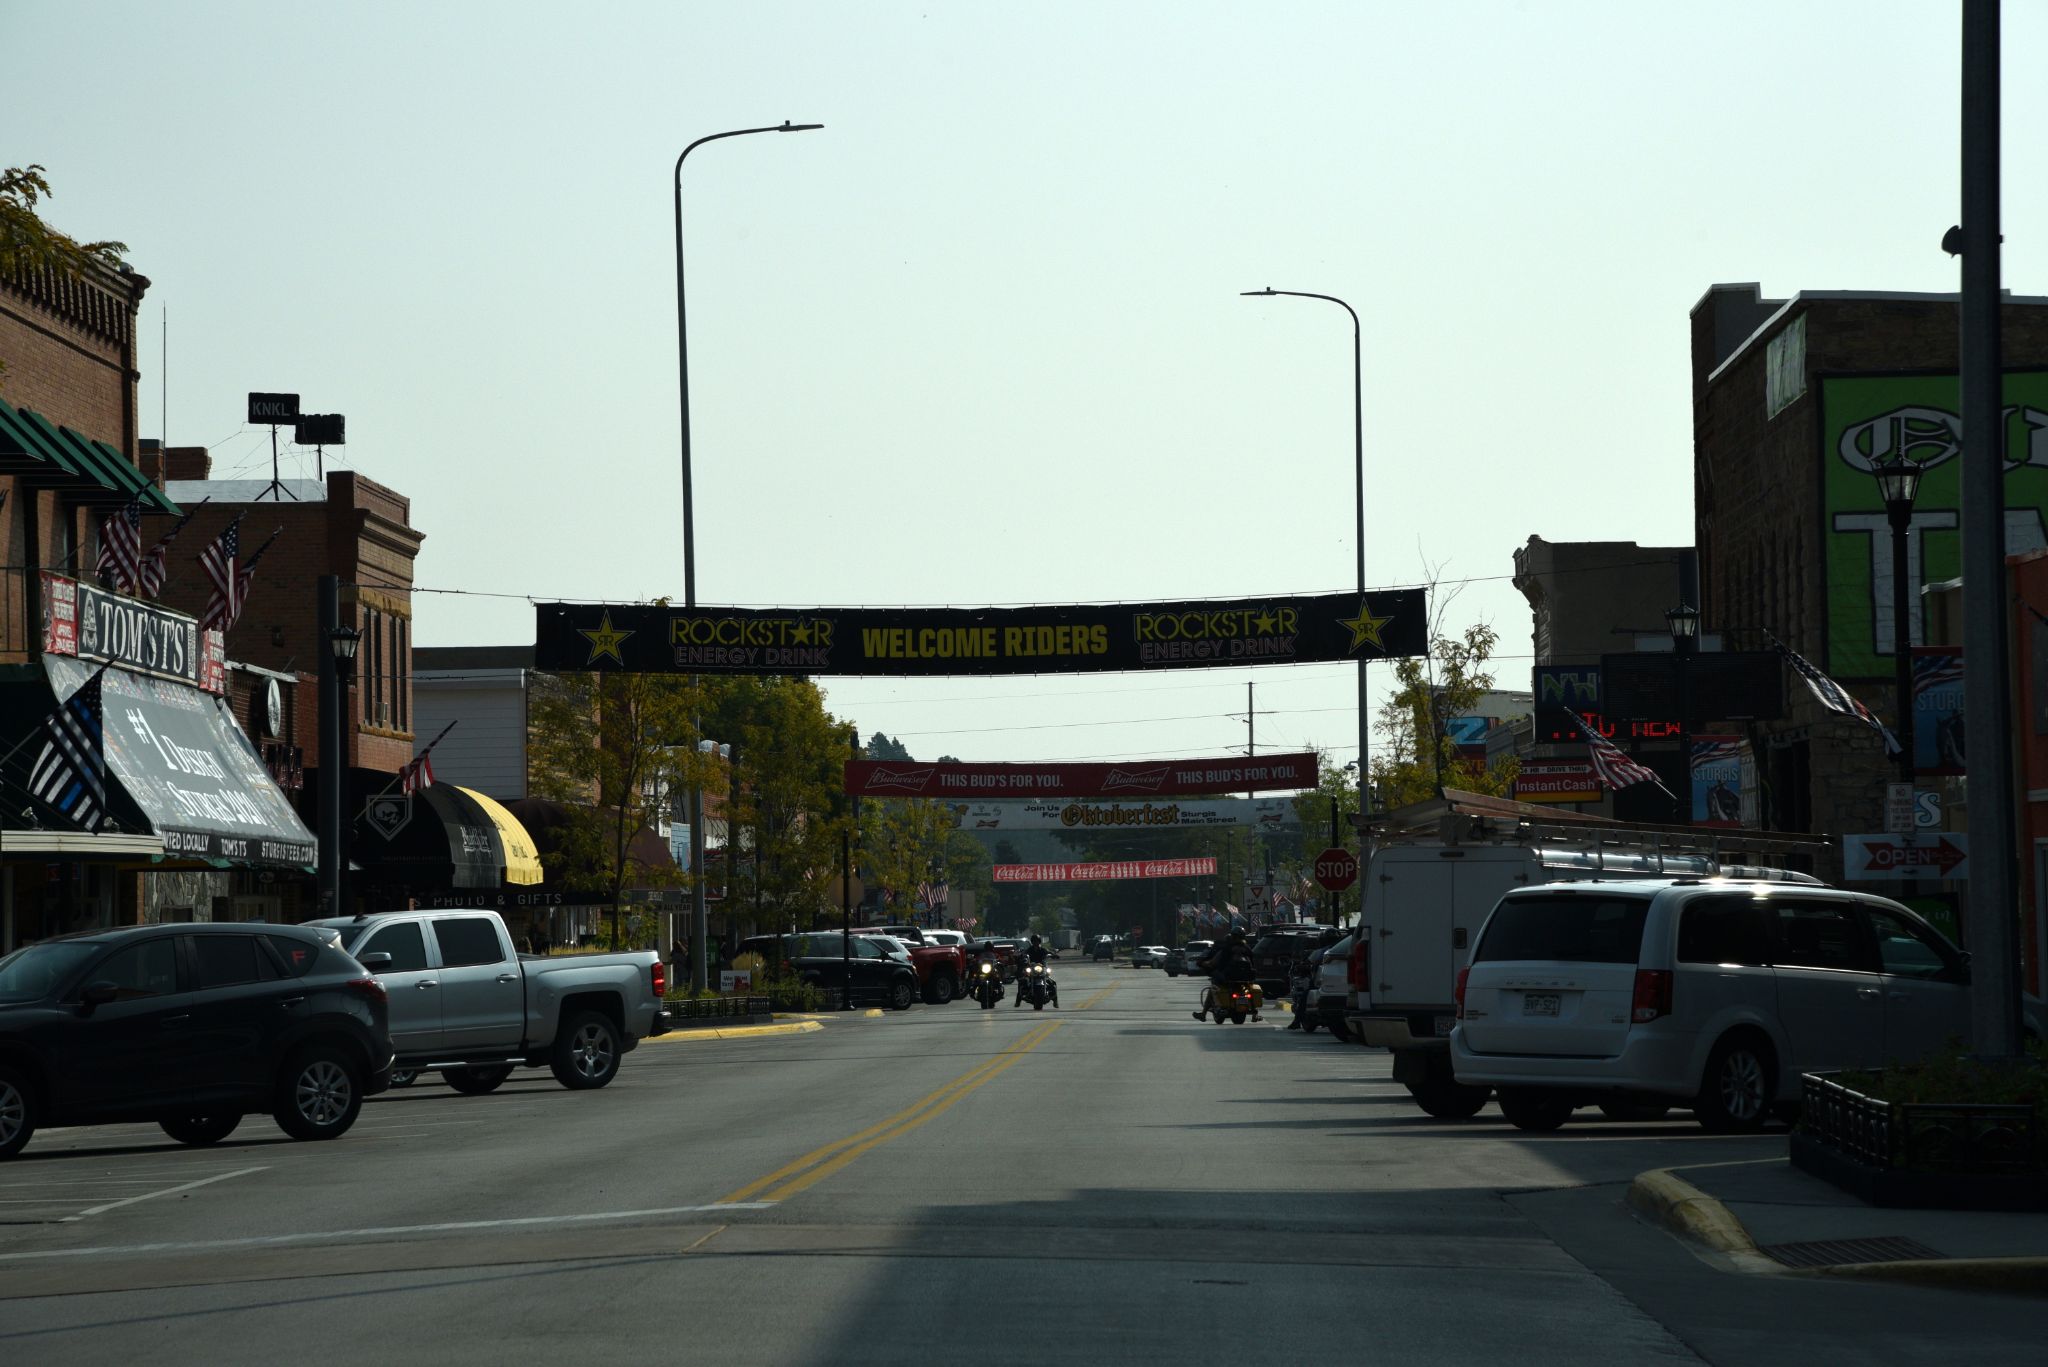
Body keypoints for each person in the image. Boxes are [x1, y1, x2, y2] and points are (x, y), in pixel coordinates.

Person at [1192, 927, 1262, 1021]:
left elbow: (1213, 962)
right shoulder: (1247, 949)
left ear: (1233, 936)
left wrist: (1202, 963)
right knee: (1249, 989)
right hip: (1246, 977)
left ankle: (1203, 1014)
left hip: (1229, 977)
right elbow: (1253, 963)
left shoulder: (1227, 948)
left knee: (1214, 986)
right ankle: (1255, 1014)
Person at [1015, 933, 1055, 1007]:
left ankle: (1055, 1000)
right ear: (1032, 942)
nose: (1035, 942)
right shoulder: (1029, 950)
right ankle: (1018, 1000)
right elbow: (1024, 953)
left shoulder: (1043, 949)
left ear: (1039, 941)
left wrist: (1053, 954)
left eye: (1037, 941)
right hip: (1032, 968)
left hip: (1042, 968)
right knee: (1022, 982)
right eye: (1034, 941)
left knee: (1052, 983)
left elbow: (1048, 952)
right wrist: (1021, 955)